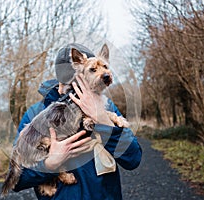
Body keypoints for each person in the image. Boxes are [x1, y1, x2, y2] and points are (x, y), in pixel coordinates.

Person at [12, 43, 142, 200]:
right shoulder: (35, 114)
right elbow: (16, 180)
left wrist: (101, 118)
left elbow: (133, 158)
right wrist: (49, 165)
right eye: (91, 71)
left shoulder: (106, 107)